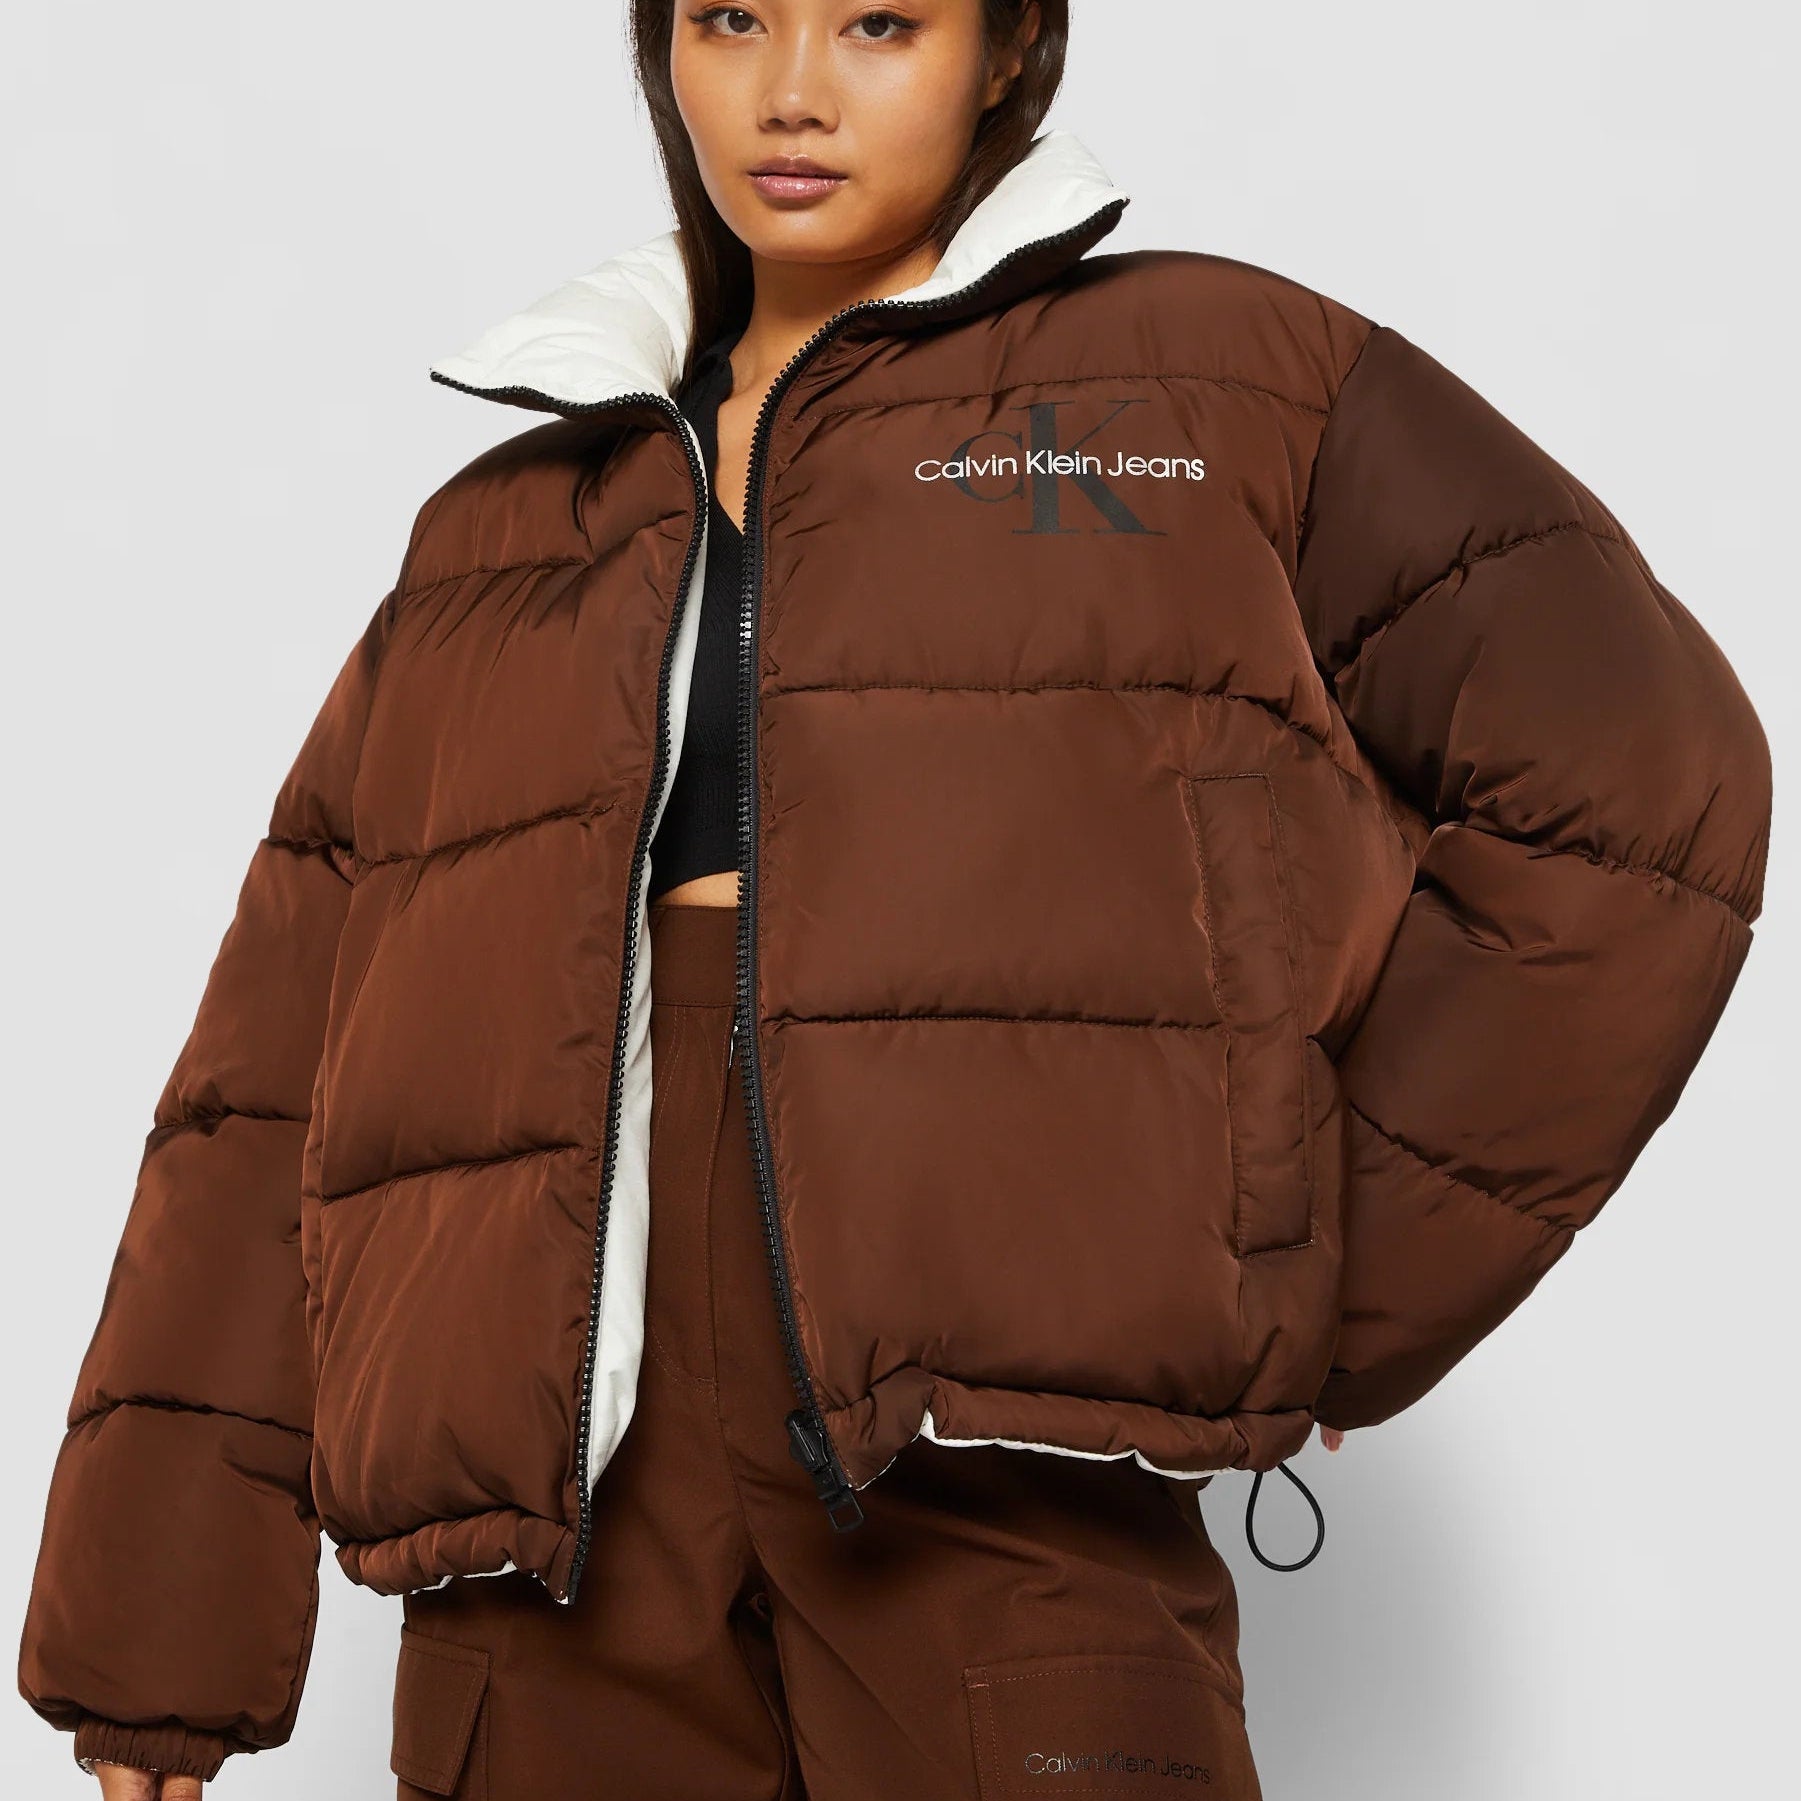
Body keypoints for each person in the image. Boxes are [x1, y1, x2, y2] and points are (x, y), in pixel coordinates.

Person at [18, 2, 1773, 1796]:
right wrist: (158, 1621)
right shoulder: (505, 524)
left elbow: (1635, 777)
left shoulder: (1222, 385)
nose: (791, 92)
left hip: (998, 1505)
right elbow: (277, 1075)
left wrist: (1335, 1260)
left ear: (1006, 48)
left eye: (877, 22)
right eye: (730, 19)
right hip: (553, 1563)